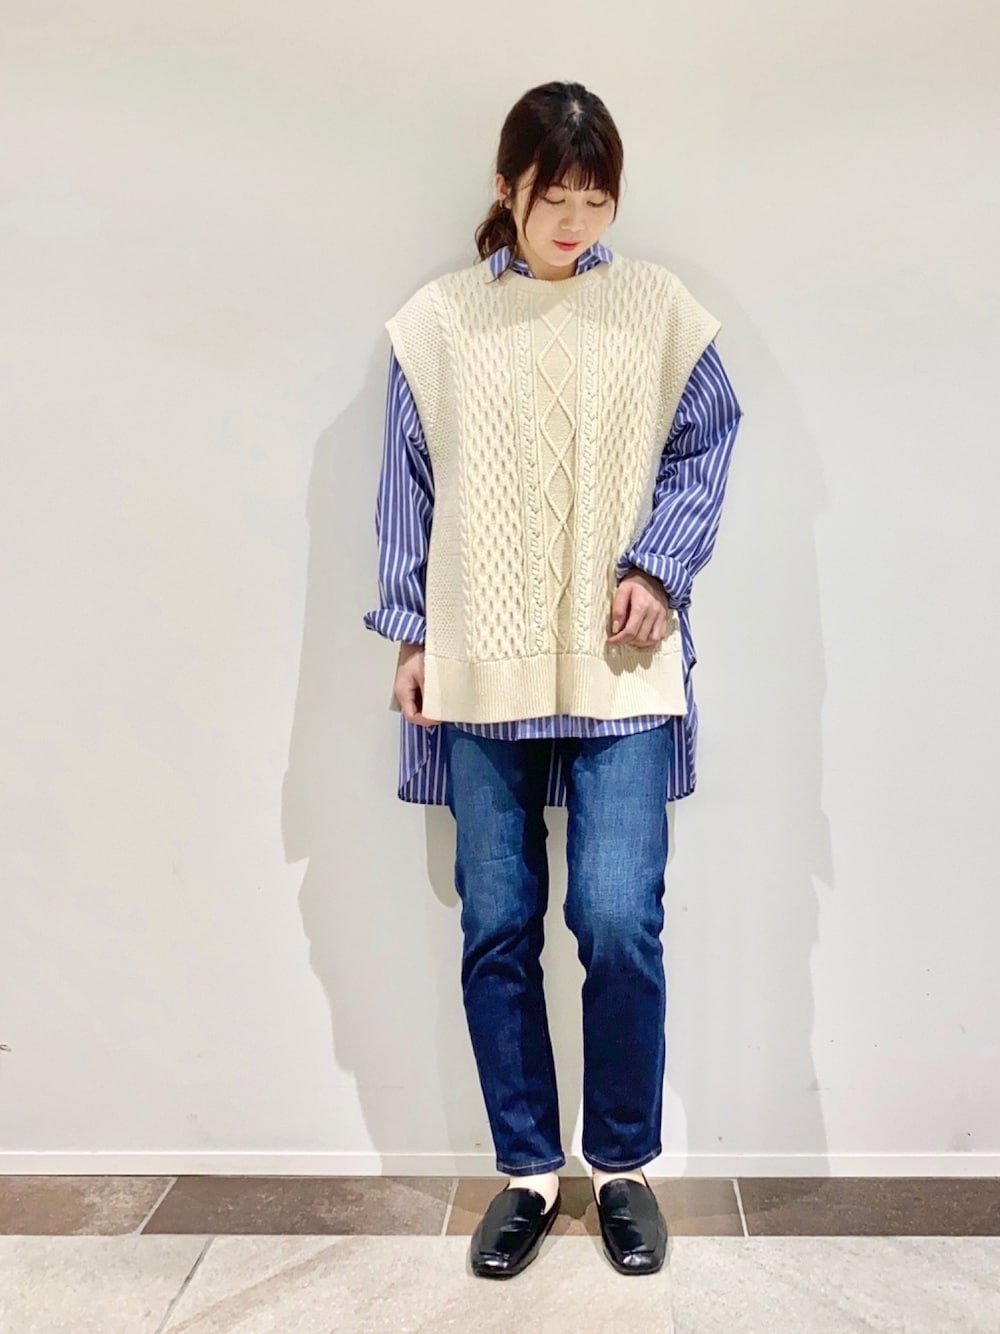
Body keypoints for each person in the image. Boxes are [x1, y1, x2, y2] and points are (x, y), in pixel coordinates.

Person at [364, 80, 743, 1278]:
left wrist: (660, 566)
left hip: (621, 669)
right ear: (506, 188)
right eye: (554, 197)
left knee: (618, 917)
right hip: (481, 665)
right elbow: (405, 486)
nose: (575, 222)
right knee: (496, 922)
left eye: (595, 199)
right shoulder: (437, 324)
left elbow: (708, 441)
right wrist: (411, 635)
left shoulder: (658, 310)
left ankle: (622, 1164)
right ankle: (527, 1169)